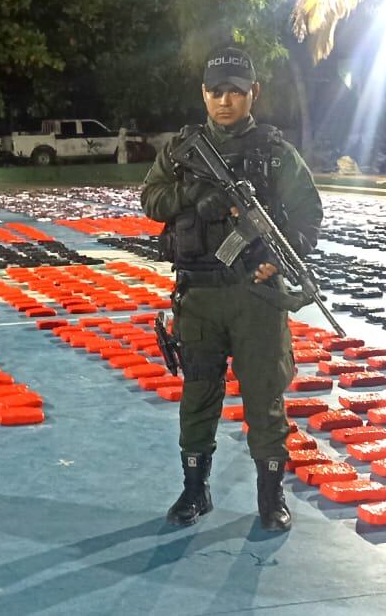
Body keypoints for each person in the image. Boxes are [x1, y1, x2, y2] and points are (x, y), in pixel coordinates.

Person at [141, 46, 323, 531]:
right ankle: (194, 490)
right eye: (217, 92)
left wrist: (278, 259)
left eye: (236, 92)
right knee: (199, 393)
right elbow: (151, 199)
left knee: (264, 396)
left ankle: (271, 497)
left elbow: (308, 214)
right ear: (204, 94)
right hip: (199, 295)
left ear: (253, 93)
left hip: (256, 297)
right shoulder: (180, 151)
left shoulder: (275, 153)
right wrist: (192, 195)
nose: (225, 101)